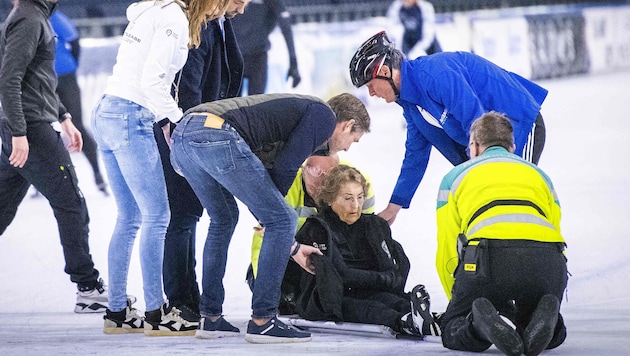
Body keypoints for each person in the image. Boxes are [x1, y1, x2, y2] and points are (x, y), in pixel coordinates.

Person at [169, 92, 371, 343]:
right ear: (348, 124)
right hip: (215, 134)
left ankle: (210, 318)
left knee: (224, 217)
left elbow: (267, 171)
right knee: (283, 218)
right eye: (353, 139)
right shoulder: (323, 117)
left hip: (183, 137)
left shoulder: (291, 123)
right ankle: (263, 320)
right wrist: (274, 219)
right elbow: (285, 167)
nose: (347, 147)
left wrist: (289, 242)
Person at [91, 0, 229, 336]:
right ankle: (156, 314)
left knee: (130, 217)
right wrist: (175, 120)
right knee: (157, 217)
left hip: (106, 111)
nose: (222, 10)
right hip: (131, 116)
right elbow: (153, 81)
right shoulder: (174, 18)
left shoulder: (149, 11)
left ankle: (117, 312)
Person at [349, 31, 548, 226]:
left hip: (518, 126)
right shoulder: (410, 102)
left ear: (385, 72)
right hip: (484, 143)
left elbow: (478, 122)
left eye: (371, 85)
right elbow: (415, 154)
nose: (372, 93)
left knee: (514, 199)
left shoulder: (436, 74)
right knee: (493, 203)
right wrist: (394, 207)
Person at [0, 0, 110, 314]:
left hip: (31, 123)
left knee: (2, 204)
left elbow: (39, 77)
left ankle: (86, 284)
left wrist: (63, 116)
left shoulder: (37, 16)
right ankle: (88, 287)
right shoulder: (28, 19)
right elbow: (8, 79)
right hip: (30, 129)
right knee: (70, 202)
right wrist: (19, 131)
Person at [435, 112, 567, 355]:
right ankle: (550, 320)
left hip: (488, 261)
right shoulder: (540, 176)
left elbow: (448, 247)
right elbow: (555, 231)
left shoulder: (454, 177)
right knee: (532, 316)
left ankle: (479, 326)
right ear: (512, 146)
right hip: (547, 261)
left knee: (452, 328)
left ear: (474, 147)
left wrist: (460, 305)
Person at [155, 0, 248, 323]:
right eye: (240, 1)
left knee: (190, 214)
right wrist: (189, 133)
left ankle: (189, 296)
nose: (244, 7)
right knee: (181, 215)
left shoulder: (220, 23)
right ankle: (179, 300)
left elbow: (227, 77)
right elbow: (187, 87)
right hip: (183, 130)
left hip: (200, 128)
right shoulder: (198, 26)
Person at [293, 165, 441, 338]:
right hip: (332, 298)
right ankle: (406, 323)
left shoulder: (374, 225)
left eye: (360, 197)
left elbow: (393, 271)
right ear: (330, 199)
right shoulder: (316, 229)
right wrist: (383, 279)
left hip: (372, 290)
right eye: (348, 198)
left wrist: (385, 279)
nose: (355, 205)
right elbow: (340, 276)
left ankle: (434, 320)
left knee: (396, 302)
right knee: (371, 309)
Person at [246, 154, 377, 315]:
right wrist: (265, 291)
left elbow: (365, 237)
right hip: (291, 262)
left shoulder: (358, 183)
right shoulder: (284, 188)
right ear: (303, 171)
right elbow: (263, 242)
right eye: (314, 188)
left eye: (324, 189)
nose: (318, 194)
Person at [50, 10, 108, 195]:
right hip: (46, 78)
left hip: (64, 76)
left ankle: (97, 173)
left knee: (77, 125)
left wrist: (71, 65)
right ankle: (40, 180)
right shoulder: (29, 16)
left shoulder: (54, 17)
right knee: (41, 128)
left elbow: (74, 41)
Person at [231, 0, 300, 95]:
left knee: (254, 104)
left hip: (255, 57)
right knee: (232, 104)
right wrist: (293, 62)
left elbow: (285, 26)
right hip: (236, 56)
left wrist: (293, 63)